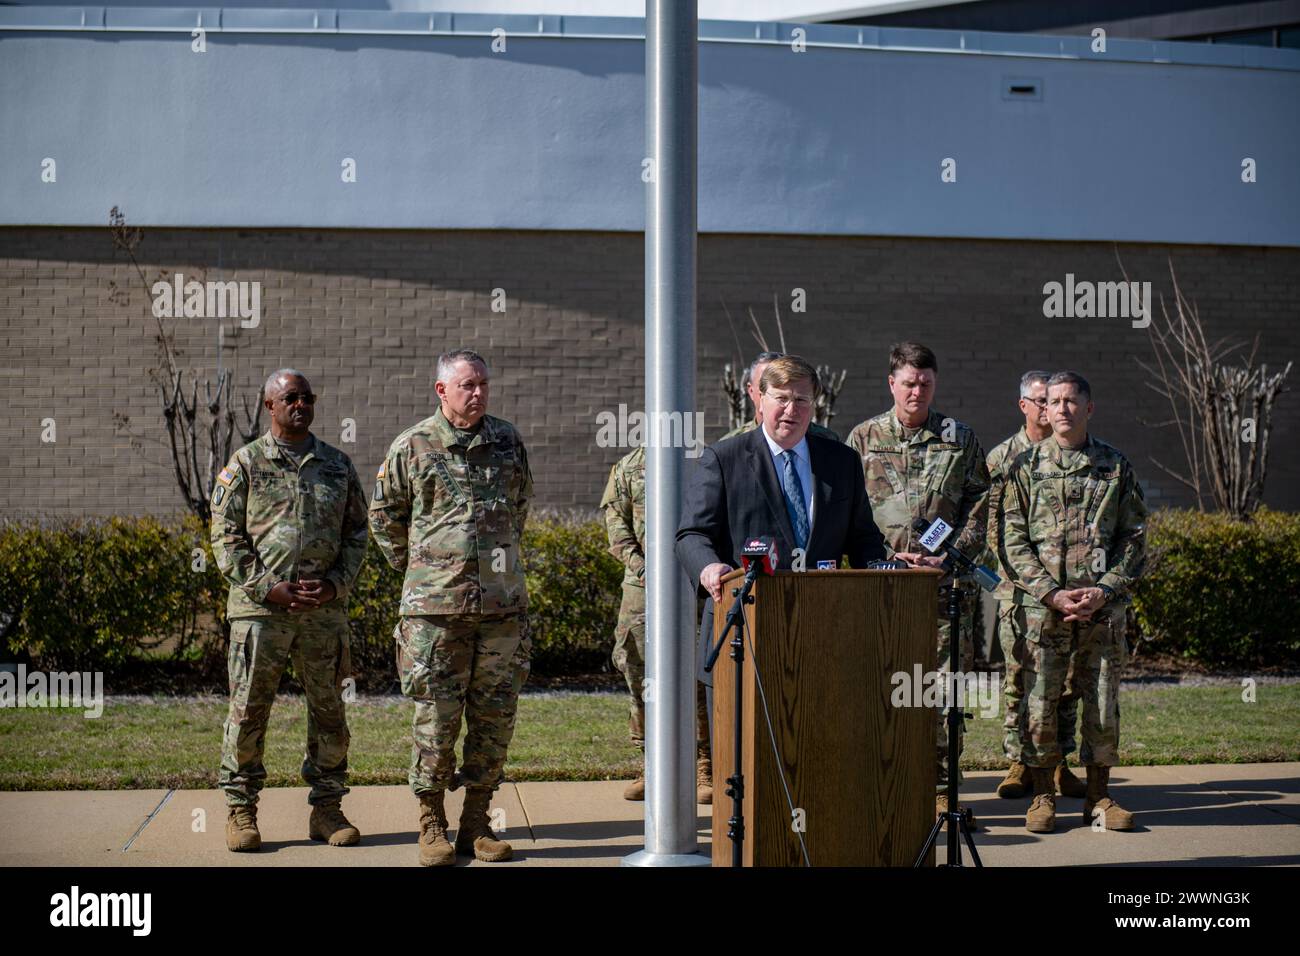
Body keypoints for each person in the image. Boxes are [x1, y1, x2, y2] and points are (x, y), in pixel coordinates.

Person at [369, 349, 533, 866]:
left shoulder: (507, 440)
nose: (478, 393)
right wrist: (424, 570)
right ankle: (431, 822)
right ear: (442, 391)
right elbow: (384, 517)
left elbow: (520, 505)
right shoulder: (412, 446)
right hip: (435, 615)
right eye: (467, 385)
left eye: (483, 383)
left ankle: (477, 823)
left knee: (494, 717)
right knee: (436, 721)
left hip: (501, 611)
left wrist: (493, 568)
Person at [211, 368, 368, 852]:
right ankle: (241, 811)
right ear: (270, 407)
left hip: (323, 616)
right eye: (289, 398)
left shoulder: (337, 466)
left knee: (329, 712)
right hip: (260, 615)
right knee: (249, 712)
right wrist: (268, 588)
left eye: (306, 397)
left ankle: (327, 810)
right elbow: (224, 537)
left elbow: (358, 534)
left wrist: (335, 586)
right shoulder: (245, 464)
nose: (300, 404)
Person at [845, 342, 990, 826]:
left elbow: (981, 504)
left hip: (940, 589)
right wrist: (882, 558)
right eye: (908, 382)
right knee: (880, 687)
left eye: (925, 382)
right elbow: (846, 510)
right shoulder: (862, 439)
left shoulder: (959, 438)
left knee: (941, 692)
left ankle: (943, 792)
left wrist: (947, 555)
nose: (917, 391)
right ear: (892, 384)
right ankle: (881, 784)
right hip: (880, 589)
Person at [677, 355, 888, 677]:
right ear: (761, 400)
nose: (792, 410)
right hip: (745, 627)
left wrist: (888, 569)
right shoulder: (724, 458)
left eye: (802, 400)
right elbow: (692, 534)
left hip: (822, 629)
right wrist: (708, 566)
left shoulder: (841, 462)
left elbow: (863, 538)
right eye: (782, 398)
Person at [1001, 371, 1147, 833]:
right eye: (1055, 401)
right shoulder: (1024, 467)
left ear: (1089, 408)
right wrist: (1051, 592)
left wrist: (1104, 589)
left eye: (1071, 401)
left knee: (1101, 701)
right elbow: (1011, 540)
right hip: (1044, 613)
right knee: (1041, 701)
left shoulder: (1115, 466)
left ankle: (1100, 797)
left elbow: (1134, 537)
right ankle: (1043, 794)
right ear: (1044, 409)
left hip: (1102, 612)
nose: (1061, 409)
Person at [986, 372, 1084, 801]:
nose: (1049, 408)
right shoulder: (1004, 458)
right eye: (1040, 401)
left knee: (1064, 683)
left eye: (1054, 400)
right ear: (1023, 404)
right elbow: (994, 529)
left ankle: (1059, 761)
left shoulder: (1070, 452)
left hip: (1067, 594)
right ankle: (1018, 761)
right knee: (1019, 681)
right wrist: (1031, 579)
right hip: (1017, 592)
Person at [601, 446, 713, 803]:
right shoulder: (628, 468)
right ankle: (651, 764)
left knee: (697, 675)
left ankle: (704, 766)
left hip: (693, 587)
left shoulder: (702, 462)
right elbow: (616, 526)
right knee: (640, 674)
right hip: (642, 591)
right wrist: (646, 570)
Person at [720, 351, 842, 442]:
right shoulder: (732, 444)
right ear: (751, 391)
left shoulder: (826, 440)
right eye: (764, 385)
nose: (790, 408)